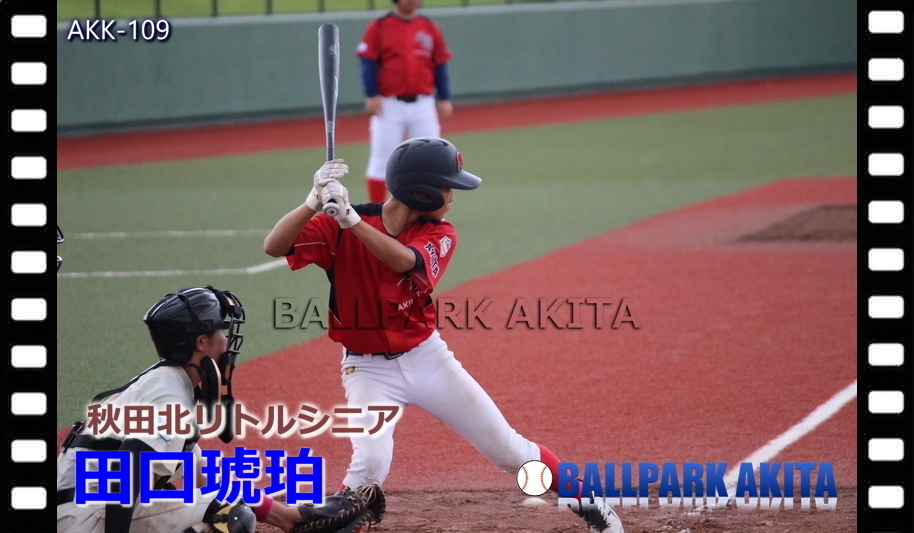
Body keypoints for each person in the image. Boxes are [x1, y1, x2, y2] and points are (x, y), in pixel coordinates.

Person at [263, 137, 625, 533]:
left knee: (509, 451)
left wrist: (350, 220)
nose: (452, 198)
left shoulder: (440, 233)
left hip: (428, 360)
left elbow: (404, 260)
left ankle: (592, 506)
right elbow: (274, 246)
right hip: (366, 371)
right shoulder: (339, 226)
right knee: (369, 466)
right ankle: (335, 523)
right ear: (421, 192)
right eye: (447, 188)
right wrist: (312, 202)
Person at [56, 285, 376, 533]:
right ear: (201, 343)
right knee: (230, 515)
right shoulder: (168, 396)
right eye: (222, 331)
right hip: (85, 517)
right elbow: (127, 471)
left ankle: (288, 520)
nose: (227, 340)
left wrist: (287, 517)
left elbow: (206, 479)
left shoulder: (170, 383)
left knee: (214, 496)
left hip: (86, 511)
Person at [356, 0, 454, 204]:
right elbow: (368, 62)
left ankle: (429, 210)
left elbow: (440, 64)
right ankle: (376, 210)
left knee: (431, 160)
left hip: (423, 104)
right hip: (388, 105)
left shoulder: (429, 26)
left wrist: (444, 97)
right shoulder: (379, 26)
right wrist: (371, 93)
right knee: (381, 159)